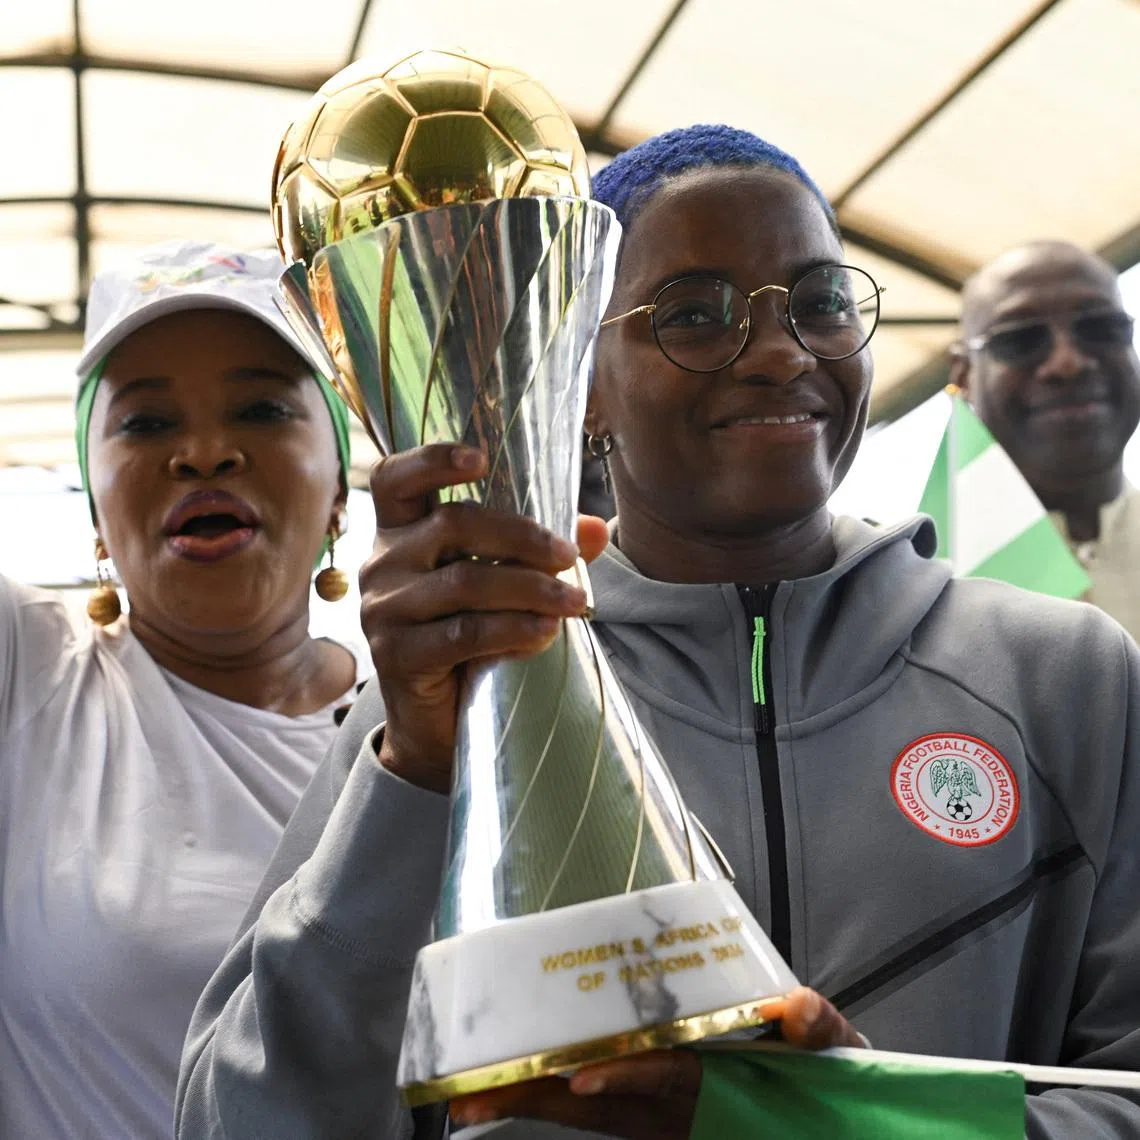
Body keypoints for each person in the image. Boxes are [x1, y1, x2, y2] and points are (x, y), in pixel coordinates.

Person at [178, 128, 1140, 1139]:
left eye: (819, 302)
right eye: (692, 314)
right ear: (580, 379)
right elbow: (244, 1118)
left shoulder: (1060, 677)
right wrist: (414, 776)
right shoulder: (459, 692)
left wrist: (855, 1124)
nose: (778, 351)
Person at [0, 240, 363, 1139]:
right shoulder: (28, 679)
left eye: (261, 408)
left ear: (342, 491)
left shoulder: (434, 727)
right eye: (146, 424)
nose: (204, 453)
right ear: (95, 512)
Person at [951, 241, 1140, 638]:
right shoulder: (919, 581)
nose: (1067, 362)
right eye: (1020, 339)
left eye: (1101, 329)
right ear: (964, 375)